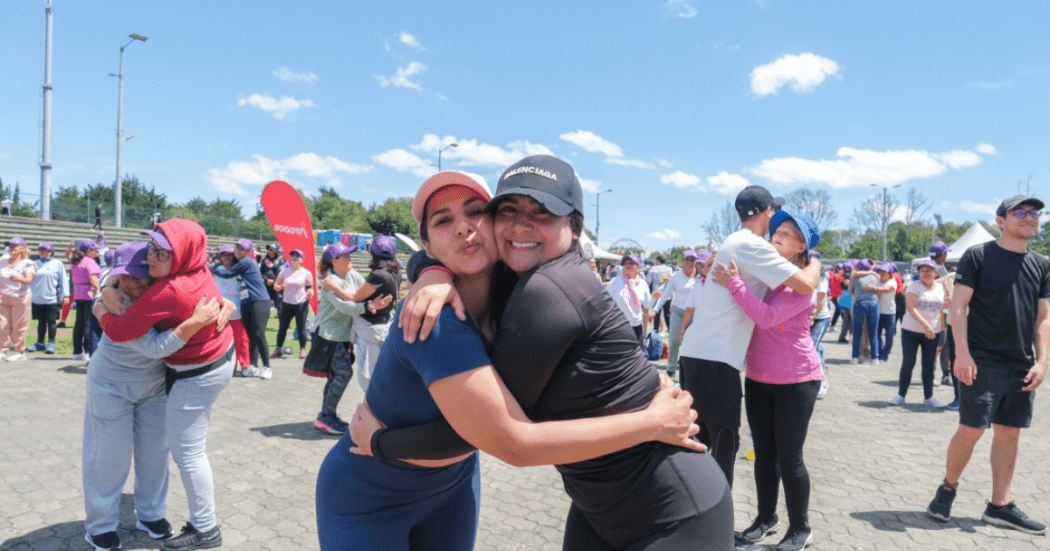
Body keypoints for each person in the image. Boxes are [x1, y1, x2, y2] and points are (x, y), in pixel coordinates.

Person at [343, 162, 734, 551]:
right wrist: (431, 271)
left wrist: (381, 443)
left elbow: (504, 437)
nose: (520, 226)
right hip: (601, 505)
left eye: (542, 212)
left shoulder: (548, 289)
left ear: (575, 227)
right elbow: (444, 250)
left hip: (675, 511)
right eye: (507, 211)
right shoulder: (517, 276)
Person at [96, 220, 236, 551]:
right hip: (213, 360)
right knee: (179, 449)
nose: (152, 258)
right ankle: (199, 523)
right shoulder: (197, 268)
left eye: (162, 252)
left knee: (188, 453)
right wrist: (102, 290)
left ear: (183, 255)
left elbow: (119, 330)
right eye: (151, 248)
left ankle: (205, 529)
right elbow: (118, 275)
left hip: (197, 373)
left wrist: (101, 307)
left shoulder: (167, 290)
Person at [679, 184, 820, 493]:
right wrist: (817, 263)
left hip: (700, 355)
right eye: (776, 217)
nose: (778, 228)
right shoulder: (753, 246)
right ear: (766, 213)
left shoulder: (737, 242)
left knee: (700, 443)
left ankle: (695, 521)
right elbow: (805, 284)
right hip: (715, 360)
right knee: (723, 446)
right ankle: (716, 531)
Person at [926, 195, 1050, 535]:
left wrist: (1042, 362)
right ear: (1001, 220)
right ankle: (947, 489)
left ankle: (1000, 506)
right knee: (972, 429)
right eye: (1020, 212)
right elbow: (959, 307)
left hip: (1021, 363)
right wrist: (961, 354)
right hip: (982, 360)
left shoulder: (1042, 263)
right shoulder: (979, 255)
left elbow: (1043, 316)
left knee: (1009, 434)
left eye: (1034, 213)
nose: (1029, 218)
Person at [711, 210, 822, 551]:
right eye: (777, 230)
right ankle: (766, 518)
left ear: (802, 247)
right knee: (763, 453)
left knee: (790, 457)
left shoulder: (801, 282)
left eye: (789, 234)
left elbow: (767, 317)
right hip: (759, 377)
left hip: (796, 379)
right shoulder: (766, 273)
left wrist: (734, 283)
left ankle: (800, 528)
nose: (779, 235)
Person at [305, 242, 393, 434]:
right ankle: (326, 417)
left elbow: (360, 293)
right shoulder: (330, 282)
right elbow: (346, 307)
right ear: (334, 261)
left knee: (336, 375)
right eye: (345, 256)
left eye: (350, 255)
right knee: (343, 374)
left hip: (343, 335)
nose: (350, 258)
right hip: (329, 336)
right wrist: (370, 306)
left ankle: (326, 416)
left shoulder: (352, 275)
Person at [889, 259, 949, 407]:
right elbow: (911, 308)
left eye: (929, 270)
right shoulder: (914, 286)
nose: (926, 273)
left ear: (936, 273)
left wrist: (951, 302)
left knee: (928, 364)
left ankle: (928, 397)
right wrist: (926, 326)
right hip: (911, 330)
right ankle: (901, 395)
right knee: (909, 362)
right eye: (922, 271)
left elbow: (946, 304)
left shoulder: (941, 287)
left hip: (932, 333)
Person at [212, 238, 271, 378]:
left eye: (242, 249)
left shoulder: (246, 262)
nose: (238, 251)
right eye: (237, 248)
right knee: (251, 336)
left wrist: (211, 266)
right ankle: (254, 366)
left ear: (247, 251)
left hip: (258, 299)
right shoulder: (238, 264)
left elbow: (227, 274)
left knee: (258, 334)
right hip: (246, 302)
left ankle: (267, 367)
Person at [653, 249, 699, 378]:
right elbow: (666, 295)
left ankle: (686, 366)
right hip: (677, 311)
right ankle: (671, 366)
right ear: (682, 261)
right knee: (674, 339)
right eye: (687, 259)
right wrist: (655, 310)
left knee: (689, 343)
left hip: (694, 314)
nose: (689, 262)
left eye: (692, 260)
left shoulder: (700, 277)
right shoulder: (676, 276)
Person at [213, 245, 251, 375]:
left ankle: (245, 365)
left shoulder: (239, 269)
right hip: (221, 310)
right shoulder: (216, 269)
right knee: (226, 341)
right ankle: (231, 367)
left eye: (230, 255)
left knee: (241, 340)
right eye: (224, 255)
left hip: (237, 310)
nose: (227, 258)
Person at [272, 249, 313, 360]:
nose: (294, 257)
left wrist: (310, 291)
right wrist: (279, 287)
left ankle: (303, 349)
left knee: (301, 328)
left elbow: (309, 287)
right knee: (282, 328)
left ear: (302, 260)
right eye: (293, 256)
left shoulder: (306, 273)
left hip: (301, 303)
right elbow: (276, 285)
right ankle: (278, 348)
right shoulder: (284, 271)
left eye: (298, 256)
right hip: (286, 303)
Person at [606, 254, 655, 348]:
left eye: (632, 263)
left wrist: (654, 298)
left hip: (636, 327)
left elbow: (647, 306)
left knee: (639, 356)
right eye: (626, 263)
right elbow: (604, 301)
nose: (628, 265)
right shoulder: (615, 281)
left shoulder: (643, 284)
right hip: (618, 327)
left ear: (638, 267)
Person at [0, 237, 37, 361]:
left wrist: (18, 279)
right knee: (2, 325)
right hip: (3, 297)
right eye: (9, 246)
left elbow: (28, 280)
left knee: (19, 326)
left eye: (13, 246)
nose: (10, 248)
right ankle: (3, 350)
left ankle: (20, 351)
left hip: (20, 298)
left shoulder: (28, 263)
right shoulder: (3, 261)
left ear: (22, 249)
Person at [29, 241, 66, 354]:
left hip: (52, 298)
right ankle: (40, 343)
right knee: (40, 322)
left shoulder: (57, 264)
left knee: (51, 322)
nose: (41, 252)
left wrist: (65, 296)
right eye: (40, 249)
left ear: (50, 252)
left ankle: (51, 343)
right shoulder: (34, 264)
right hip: (38, 298)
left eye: (44, 250)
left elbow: (63, 280)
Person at [69, 240, 101, 361]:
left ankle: (77, 351)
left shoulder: (75, 261)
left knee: (79, 323)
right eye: (94, 250)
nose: (95, 253)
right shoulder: (89, 262)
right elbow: (94, 282)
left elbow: (73, 279)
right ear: (88, 251)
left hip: (78, 292)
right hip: (89, 292)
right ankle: (88, 350)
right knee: (89, 323)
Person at [848, 259, 881, 364]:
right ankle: (875, 358)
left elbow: (850, 291)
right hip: (874, 303)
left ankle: (855, 358)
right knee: (873, 332)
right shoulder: (875, 277)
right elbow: (879, 291)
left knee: (857, 332)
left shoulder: (855, 277)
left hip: (859, 303)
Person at [810, 253, 832, 398]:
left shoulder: (822, 276)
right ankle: (821, 369)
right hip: (807, 317)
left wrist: (812, 317)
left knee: (812, 347)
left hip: (820, 318)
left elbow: (821, 300)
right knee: (816, 347)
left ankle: (821, 381)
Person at [874, 263, 898, 362]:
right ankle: (879, 352)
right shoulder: (877, 282)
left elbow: (885, 290)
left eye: (884, 272)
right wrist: (878, 290)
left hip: (890, 312)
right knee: (877, 334)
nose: (882, 273)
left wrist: (875, 289)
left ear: (889, 273)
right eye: (880, 271)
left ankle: (885, 354)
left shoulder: (892, 282)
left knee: (889, 335)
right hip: (878, 312)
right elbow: (879, 292)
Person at [259, 243, 285, 311]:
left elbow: (281, 273)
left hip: (277, 284)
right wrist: (266, 280)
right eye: (268, 249)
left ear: (275, 251)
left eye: (271, 250)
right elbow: (261, 272)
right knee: (265, 302)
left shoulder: (280, 260)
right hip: (267, 284)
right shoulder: (265, 260)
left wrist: (275, 281)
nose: (268, 251)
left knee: (278, 303)